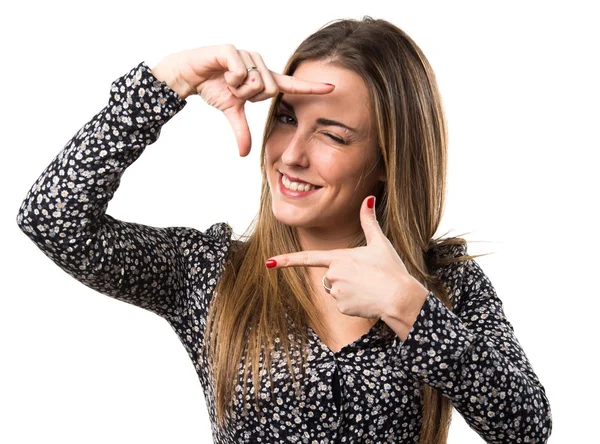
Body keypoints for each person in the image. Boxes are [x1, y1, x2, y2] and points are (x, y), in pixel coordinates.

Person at [16, 16, 551, 444]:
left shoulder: (442, 287)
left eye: (333, 135)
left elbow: (526, 428)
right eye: (288, 119)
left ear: (389, 158)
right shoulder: (210, 275)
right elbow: (52, 217)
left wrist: (410, 309)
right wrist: (168, 82)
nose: (290, 157)